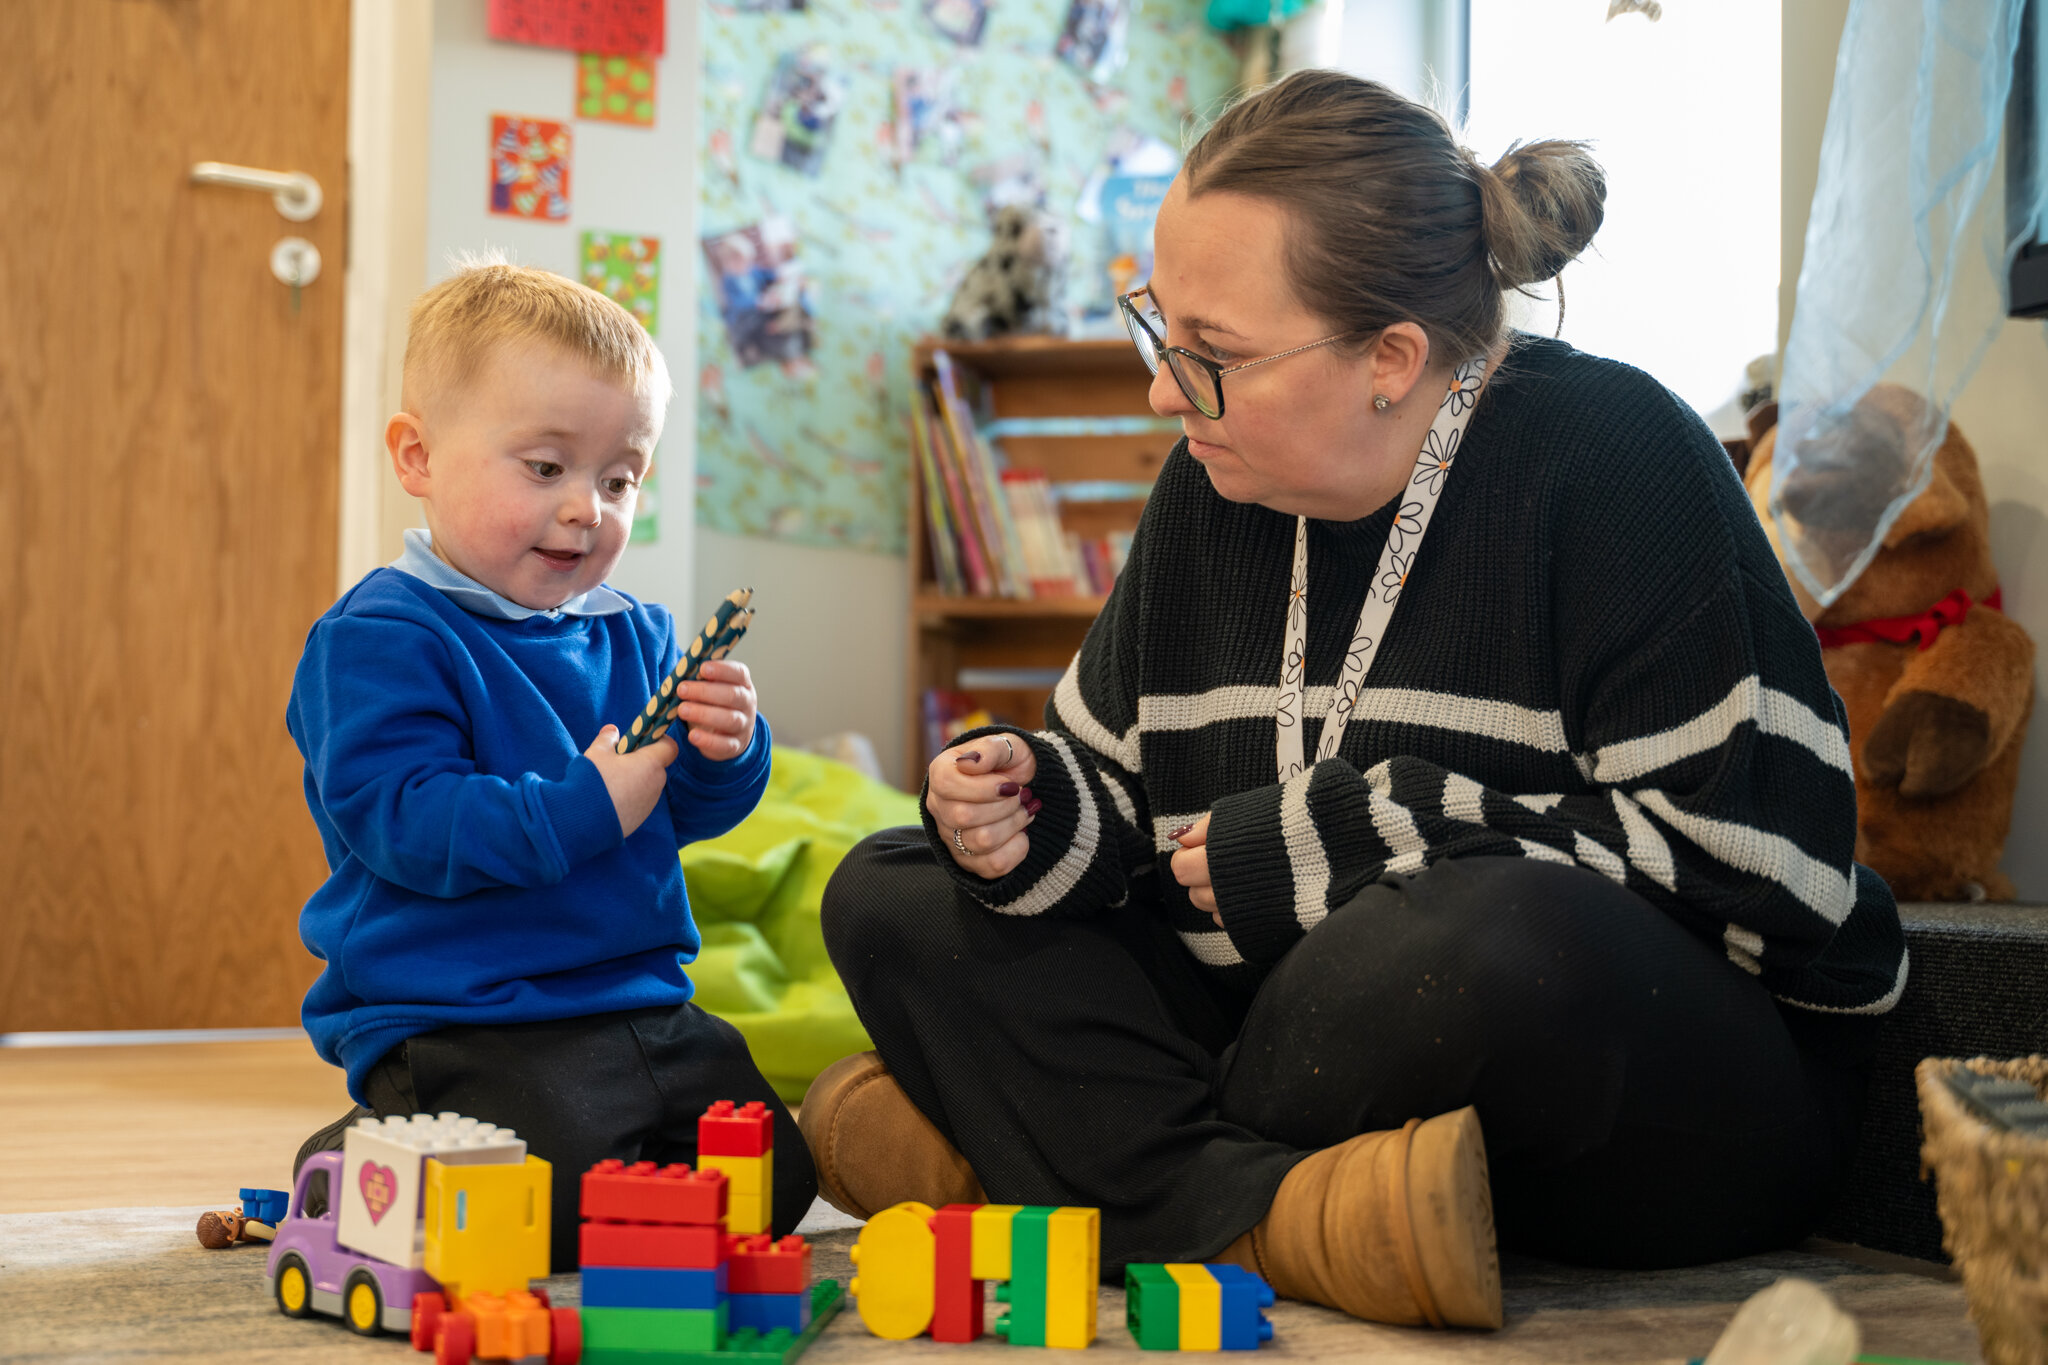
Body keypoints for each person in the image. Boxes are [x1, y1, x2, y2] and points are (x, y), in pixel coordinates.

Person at [803, 70, 1904, 1330]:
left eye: (1210, 358)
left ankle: (1054, 1172)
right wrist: (1028, 808)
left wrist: (1377, 826)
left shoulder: (1611, 456)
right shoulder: (1207, 481)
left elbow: (1769, 879)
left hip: (1649, 1097)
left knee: (1470, 941)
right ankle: (1269, 1219)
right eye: (1158, 332)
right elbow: (1120, 811)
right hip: (1301, 1058)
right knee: (891, 888)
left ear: (1391, 359)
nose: (1165, 393)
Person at [287, 258, 814, 1268]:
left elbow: (683, 815)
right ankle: (362, 1166)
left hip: (641, 1001)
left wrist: (725, 750)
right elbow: (404, 821)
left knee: (772, 1185)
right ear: (418, 456)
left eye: (619, 479)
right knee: (546, 1210)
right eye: (545, 468)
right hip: (463, 1018)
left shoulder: (638, 634)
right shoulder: (379, 637)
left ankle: (583, 1151)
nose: (587, 509)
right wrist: (582, 804)